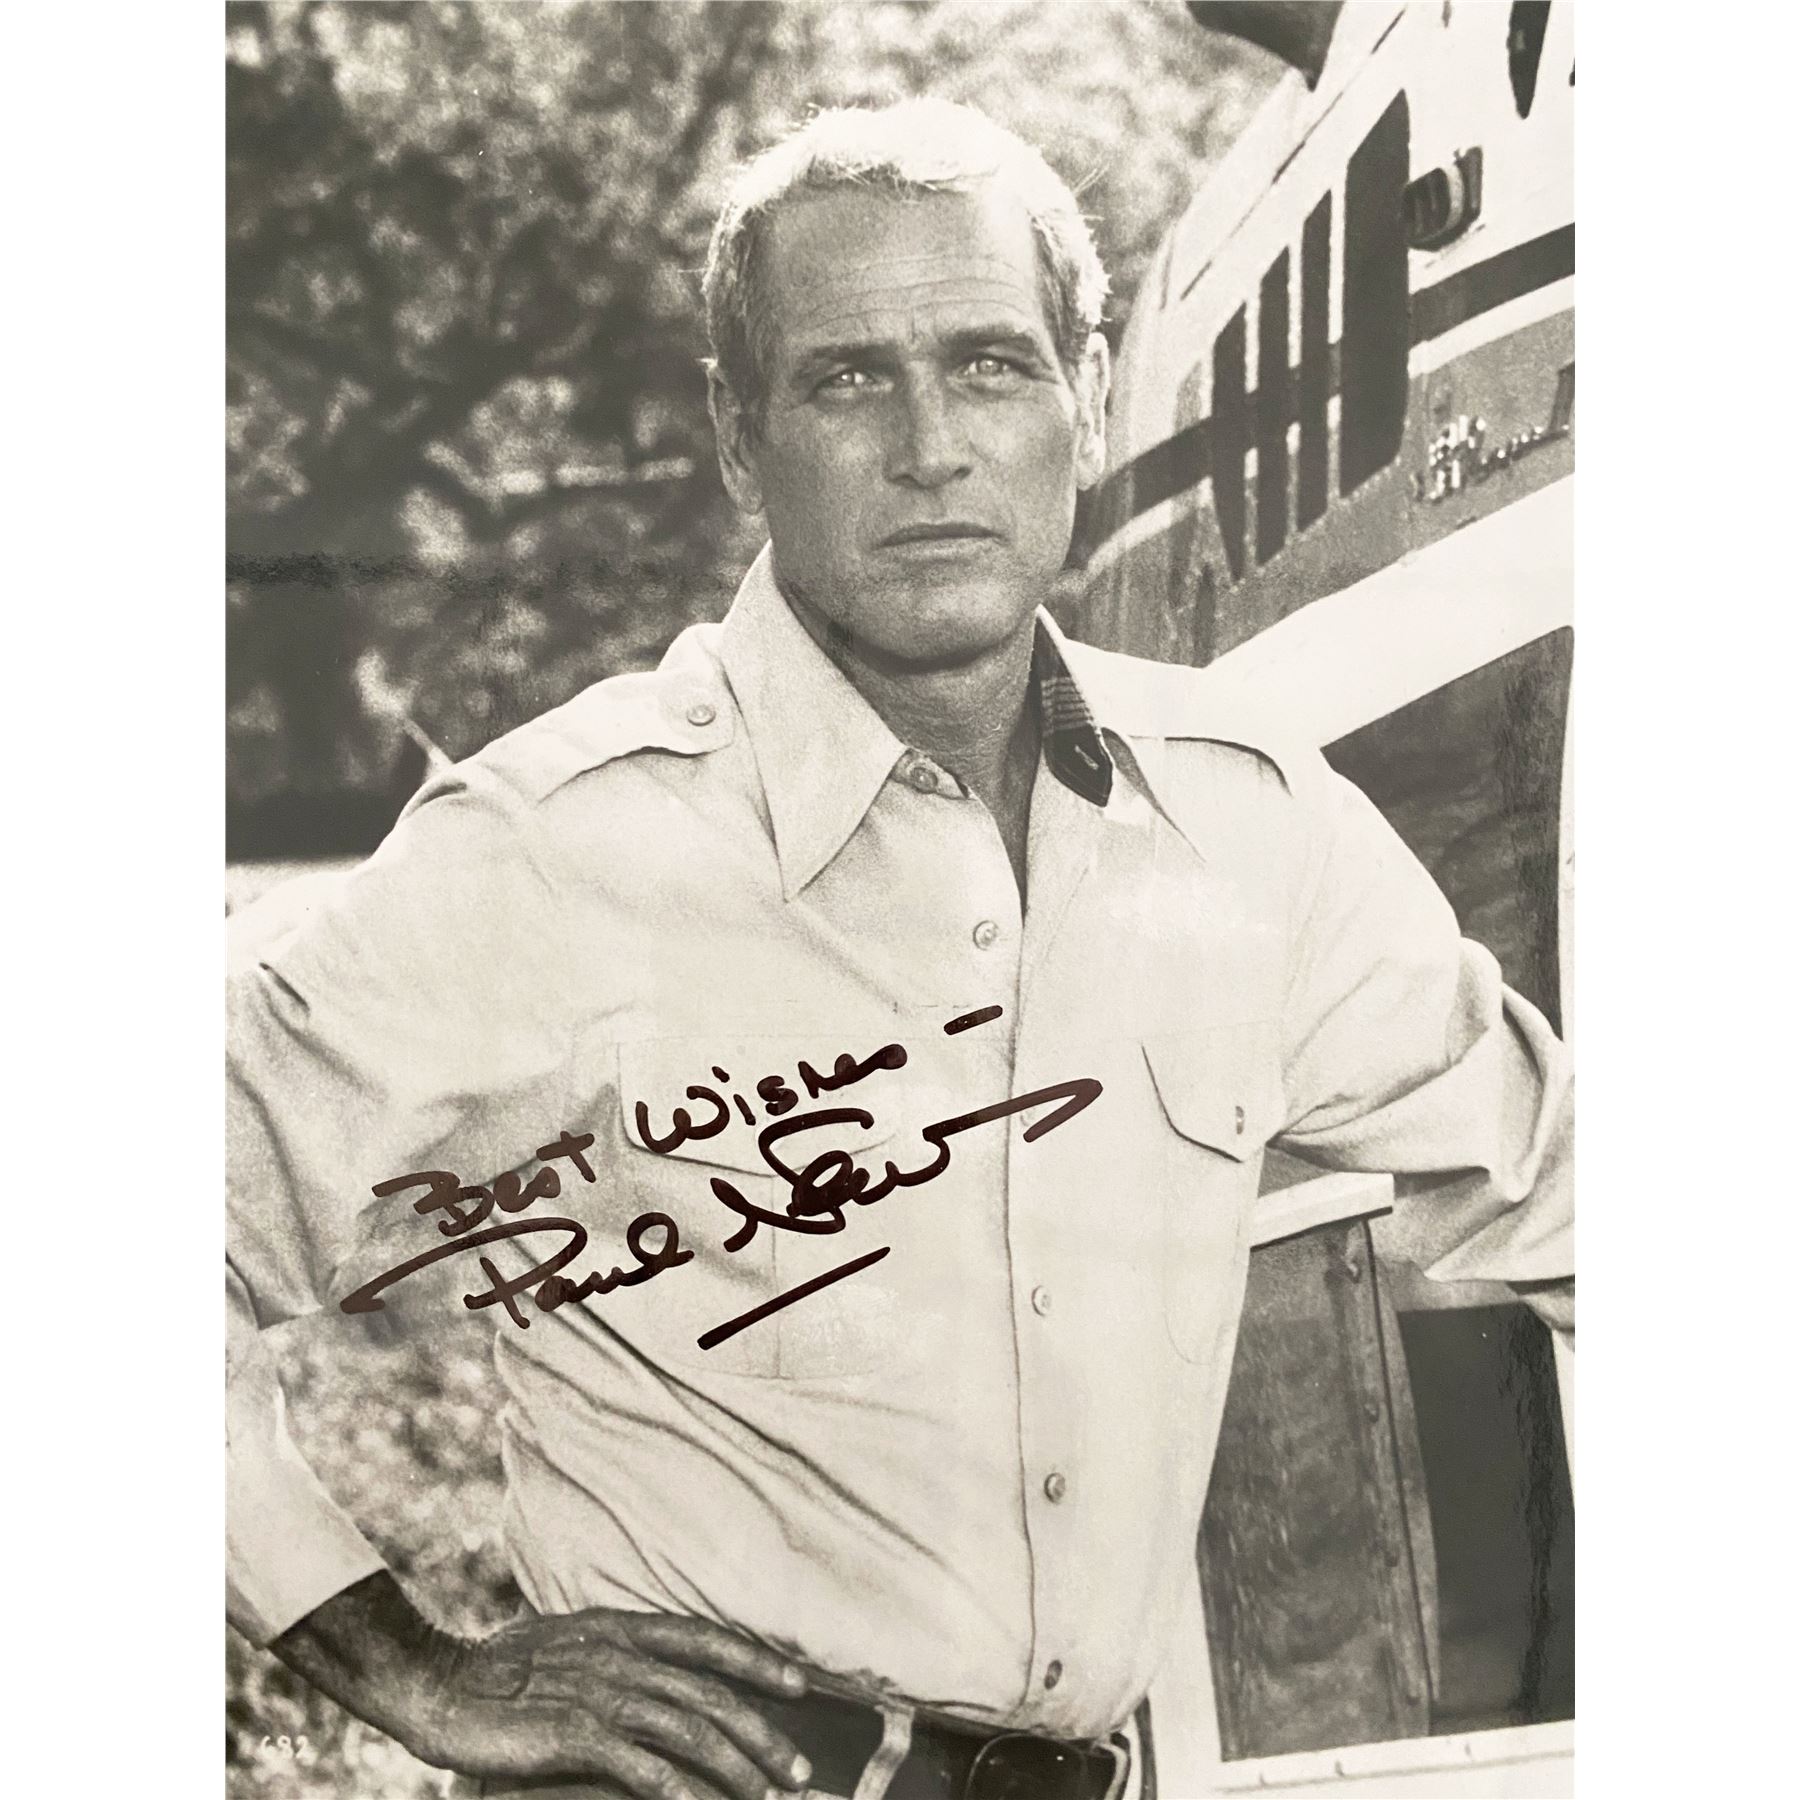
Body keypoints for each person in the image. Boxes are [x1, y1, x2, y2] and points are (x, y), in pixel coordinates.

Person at [226, 98, 1573, 1800]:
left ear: (1086, 399)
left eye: (993, 364)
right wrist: (401, 1665)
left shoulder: (1250, 825)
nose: (932, 446)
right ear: (741, 441)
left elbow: (1564, 1181)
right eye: (848, 379)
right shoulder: (553, 851)